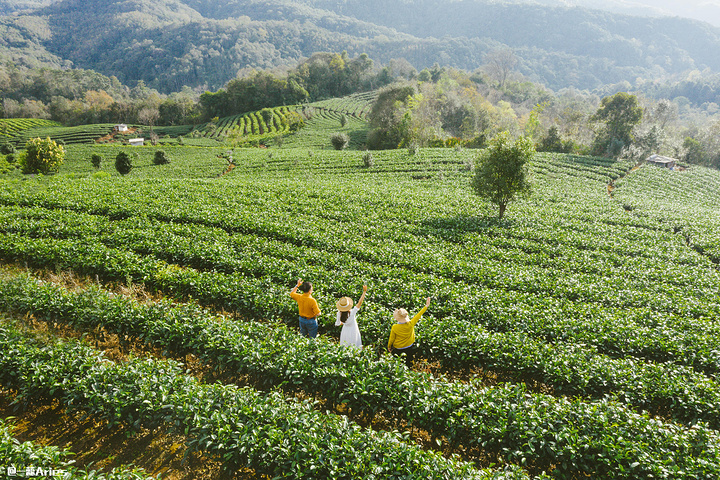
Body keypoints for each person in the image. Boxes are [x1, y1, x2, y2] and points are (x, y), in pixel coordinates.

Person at [387, 297, 431, 367]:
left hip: (398, 348)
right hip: (409, 346)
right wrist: (426, 306)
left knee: (398, 363)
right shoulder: (411, 324)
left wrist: (389, 346)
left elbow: (391, 338)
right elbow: (418, 315)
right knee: (408, 361)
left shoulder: (395, 327)